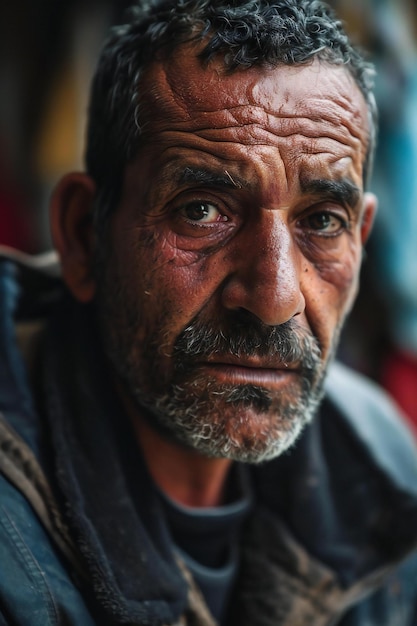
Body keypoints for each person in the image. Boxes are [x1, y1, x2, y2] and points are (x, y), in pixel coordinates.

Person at [1, 0, 417, 624]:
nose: (277, 299)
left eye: (321, 222)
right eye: (202, 210)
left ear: (361, 237)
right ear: (85, 236)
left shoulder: (380, 458)